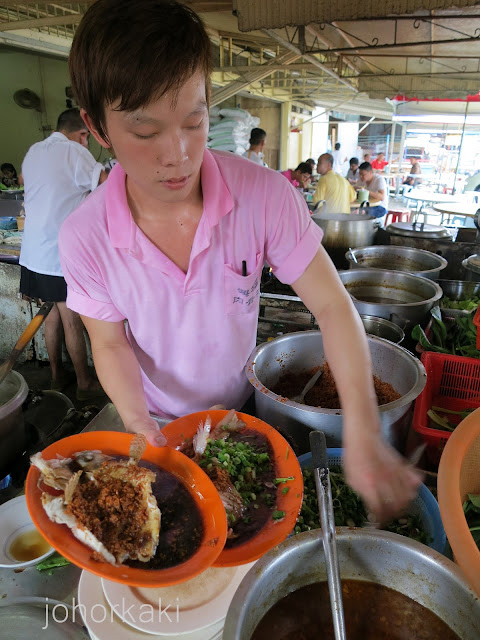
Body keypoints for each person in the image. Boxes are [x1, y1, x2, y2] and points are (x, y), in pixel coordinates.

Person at [58, 0, 421, 522]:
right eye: (145, 132)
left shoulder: (264, 196)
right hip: (151, 416)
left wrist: (363, 429)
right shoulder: (85, 236)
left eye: (194, 120)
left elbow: (334, 307)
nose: (178, 154)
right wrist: (142, 428)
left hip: (238, 410)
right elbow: (109, 341)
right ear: (98, 128)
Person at [19, 108, 108, 399]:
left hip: (33, 253)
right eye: (86, 137)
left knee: (51, 315)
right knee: (70, 319)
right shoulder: (73, 151)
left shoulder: (34, 150)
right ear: (81, 133)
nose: (86, 143)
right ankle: (84, 382)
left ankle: (57, 375)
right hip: (58, 255)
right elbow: (107, 183)